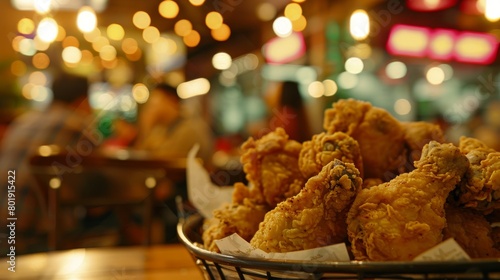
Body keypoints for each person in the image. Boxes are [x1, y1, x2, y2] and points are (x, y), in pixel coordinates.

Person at [0, 71, 102, 254]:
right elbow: (101, 182)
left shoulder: (24, 120)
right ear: (83, 99)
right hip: (36, 232)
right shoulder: (78, 124)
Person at [134, 82, 215, 243]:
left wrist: (147, 126)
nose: (151, 107)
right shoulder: (163, 129)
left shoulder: (189, 127)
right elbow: (143, 154)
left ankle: (165, 246)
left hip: (190, 191)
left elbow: (163, 159)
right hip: (171, 186)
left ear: (170, 100)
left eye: (155, 101)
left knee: (142, 199)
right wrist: (147, 128)